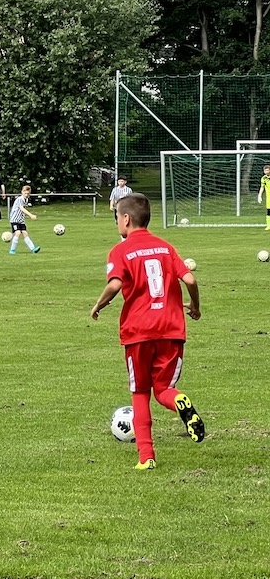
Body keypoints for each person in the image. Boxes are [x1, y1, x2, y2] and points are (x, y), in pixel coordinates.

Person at [91, 192, 205, 470]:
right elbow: (190, 280)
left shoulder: (121, 250)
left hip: (138, 330)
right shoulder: (165, 247)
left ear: (126, 219)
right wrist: (195, 306)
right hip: (171, 328)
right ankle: (179, 401)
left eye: (116, 217)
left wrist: (98, 304)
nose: (116, 222)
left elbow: (115, 285)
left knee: (140, 392)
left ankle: (147, 457)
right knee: (164, 389)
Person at [8, 184, 41, 254]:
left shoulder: (26, 199)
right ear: (22, 192)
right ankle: (12, 250)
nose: (26, 195)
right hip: (14, 219)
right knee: (17, 233)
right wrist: (31, 215)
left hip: (21, 220)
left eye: (27, 193)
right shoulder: (20, 199)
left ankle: (33, 249)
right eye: (25, 193)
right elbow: (22, 208)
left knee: (25, 233)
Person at [256, 165, 270, 230]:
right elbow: (262, 187)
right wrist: (259, 195)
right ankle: (268, 226)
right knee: (268, 211)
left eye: (267, 170)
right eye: (265, 170)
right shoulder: (263, 178)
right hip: (269, 197)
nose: (266, 171)